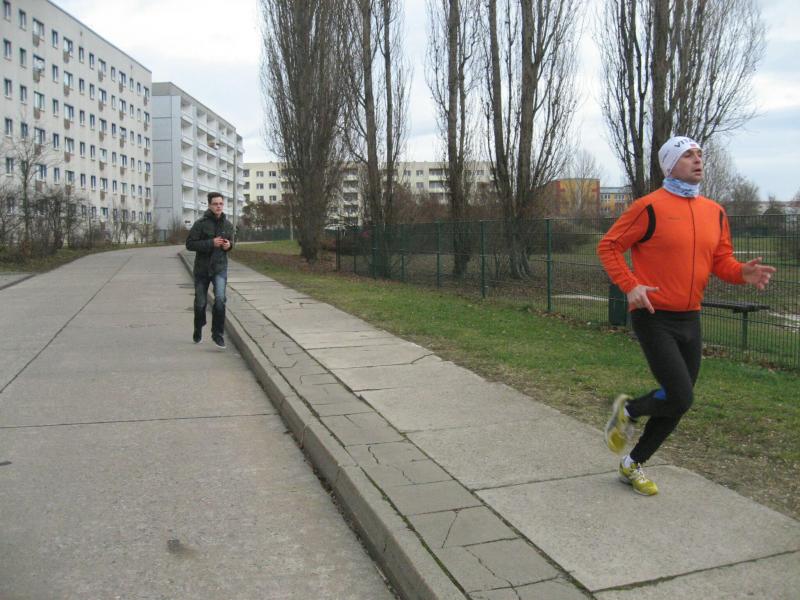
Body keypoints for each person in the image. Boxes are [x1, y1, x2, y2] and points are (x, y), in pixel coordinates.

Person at [597, 136, 775, 496]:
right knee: (681, 396)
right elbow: (609, 246)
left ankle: (632, 464)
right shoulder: (649, 207)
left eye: (699, 154)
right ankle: (630, 410)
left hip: (690, 318)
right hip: (653, 314)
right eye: (687, 155)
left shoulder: (714, 212)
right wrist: (630, 285)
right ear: (669, 165)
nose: (697, 160)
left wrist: (742, 272)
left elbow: (721, 262)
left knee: (677, 401)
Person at [186, 192, 234, 348]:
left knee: (220, 299)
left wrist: (229, 246)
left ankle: (217, 334)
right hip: (202, 269)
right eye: (215, 204)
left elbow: (231, 243)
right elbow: (190, 244)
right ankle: (198, 327)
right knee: (200, 303)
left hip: (220, 267)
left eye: (221, 204)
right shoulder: (200, 224)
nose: (218, 206)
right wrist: (210, 243)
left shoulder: (227, 224)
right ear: (209, 205)